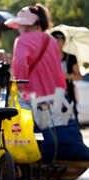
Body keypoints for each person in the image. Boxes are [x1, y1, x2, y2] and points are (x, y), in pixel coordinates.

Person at [6, 4, 89, 163]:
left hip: (31, 98)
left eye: (22, 24)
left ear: (32, 24)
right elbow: (58, 71)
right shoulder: (51, 40)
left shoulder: (22, 40)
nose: (19, 28)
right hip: (54, 98)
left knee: (32, 135)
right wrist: (61, 94)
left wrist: (19, 87)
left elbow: (20, 66)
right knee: (57, 132)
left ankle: (36, 161)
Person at [51, 30, 82, 122]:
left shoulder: (71, 57)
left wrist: (67, 76)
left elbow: (79, 77)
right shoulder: (47, 58)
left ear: (64, 42)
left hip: (68, 95)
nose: (57, 41)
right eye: (55, 39)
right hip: (51, 96)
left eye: (60, 39)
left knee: (72, 122)